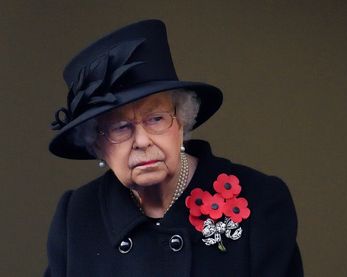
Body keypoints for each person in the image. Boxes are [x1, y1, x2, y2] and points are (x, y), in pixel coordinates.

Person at [45, 19, 303, 277]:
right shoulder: (77, 215)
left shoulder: (260, 200)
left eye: (156, 118)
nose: (142, 141)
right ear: (97, 143)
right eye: (120, 127)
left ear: (182, 121)